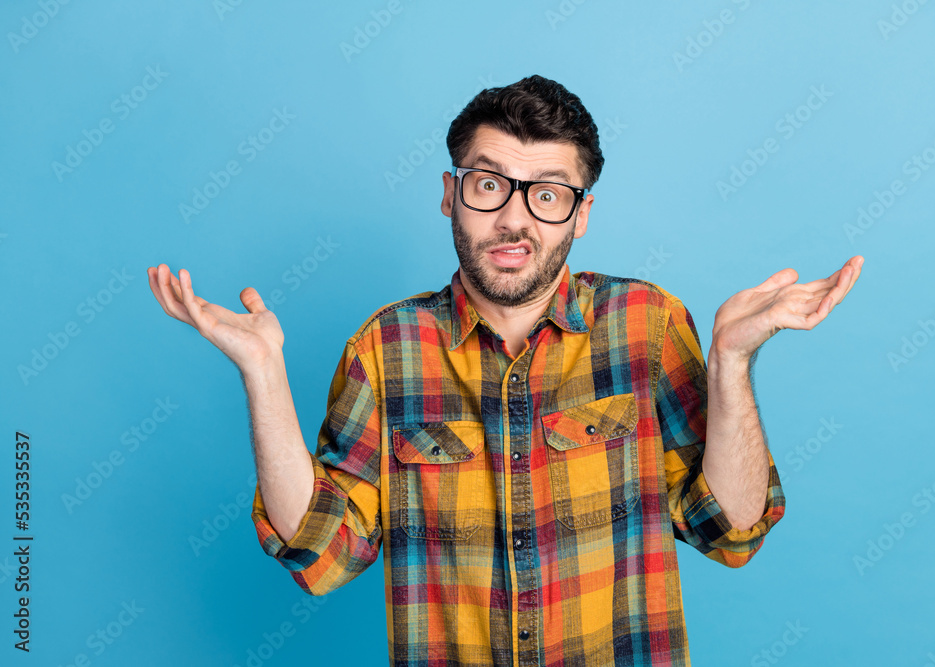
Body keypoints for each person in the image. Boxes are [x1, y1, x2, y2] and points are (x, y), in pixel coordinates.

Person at [147, 74, 863, 666]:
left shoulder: (645, 325)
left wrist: (733, 362)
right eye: (489, 184)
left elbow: (731, 531)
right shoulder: (387, 346)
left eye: (547, 193)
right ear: (450, 193)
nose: (515, 219)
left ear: (580, 216)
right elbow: (321, 553)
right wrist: (263, 372)